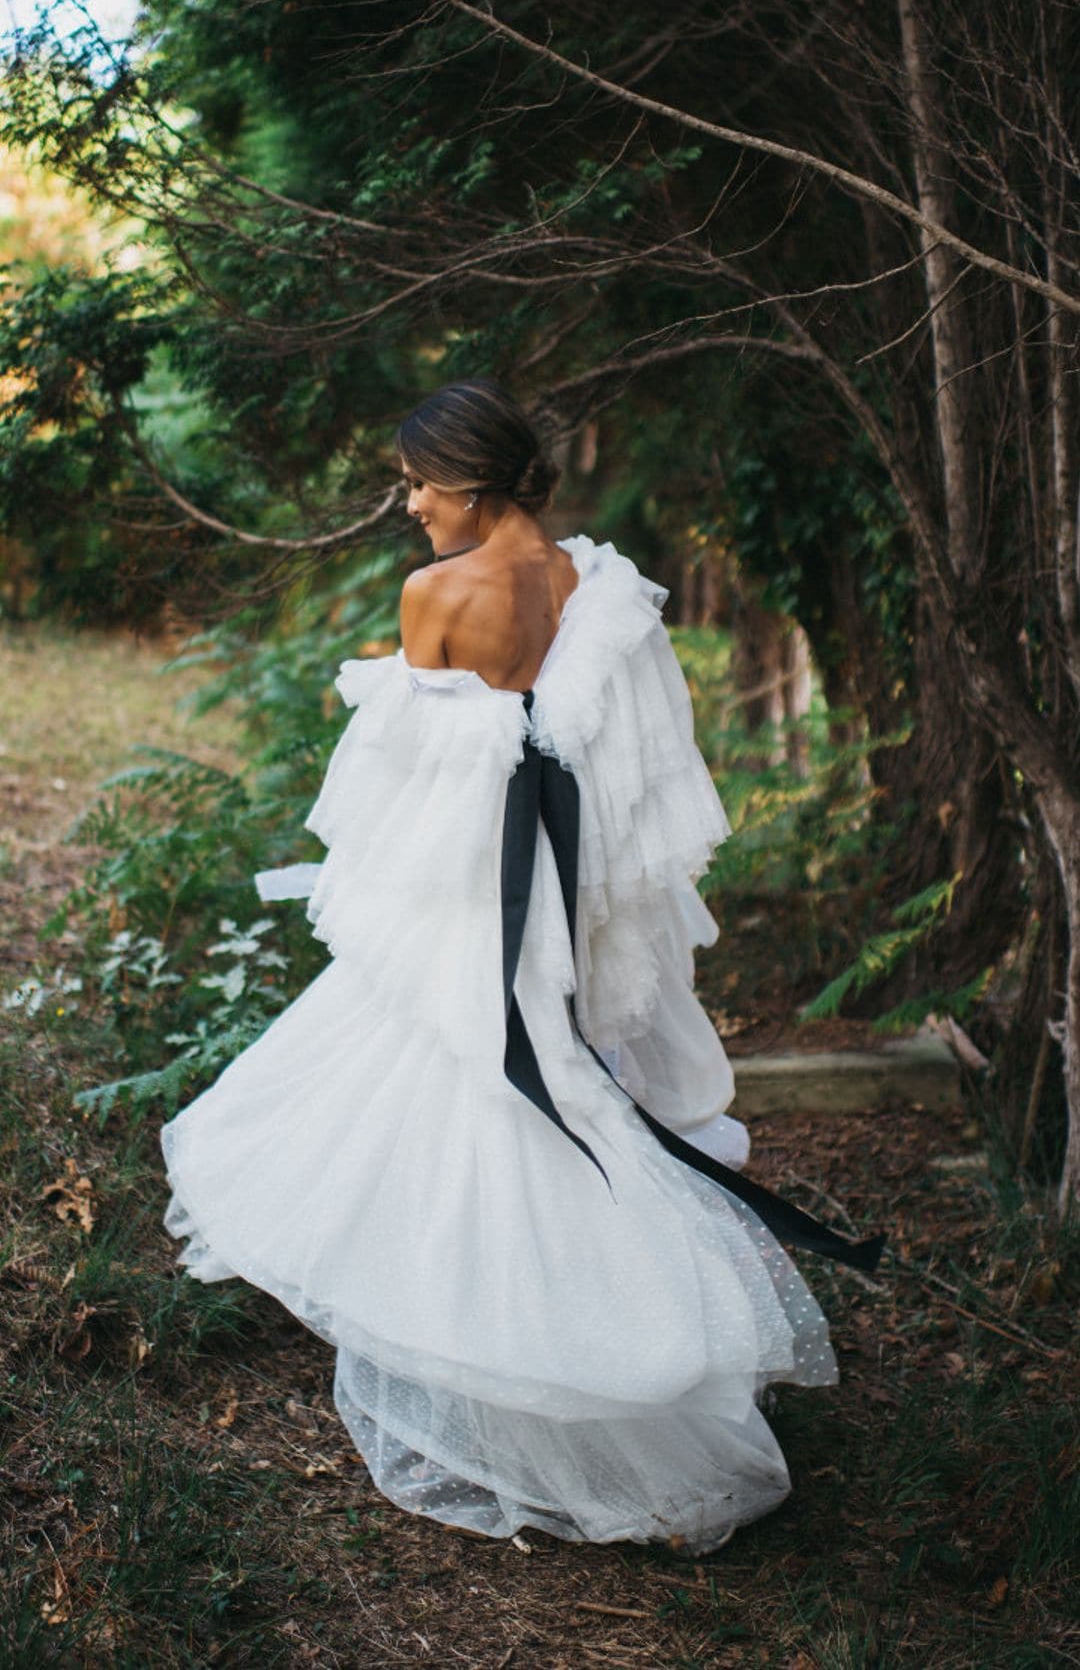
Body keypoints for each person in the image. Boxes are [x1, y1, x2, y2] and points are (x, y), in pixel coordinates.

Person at [160, 378, 883, 1553]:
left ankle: (506, 1358)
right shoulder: (598, 586)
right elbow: (608, 755)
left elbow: (407, 789)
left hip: (470, 892)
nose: (409, 507)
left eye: (417, 484)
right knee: (557, 1086)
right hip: (560, 886)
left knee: (464, 1100)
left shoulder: (435, 595)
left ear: (469, 481)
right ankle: (604, 1333)